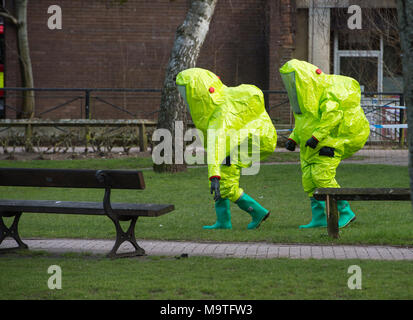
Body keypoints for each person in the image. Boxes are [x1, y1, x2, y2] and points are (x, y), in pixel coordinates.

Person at [176, 68, 277, 229]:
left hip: (241, 146)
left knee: (227, 186)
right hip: (243, 143)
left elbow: (218, 144)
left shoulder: (220, 113)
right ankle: (223, 221)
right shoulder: (220, 104)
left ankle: (257, 211)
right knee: (223, 182)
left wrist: (213, 175)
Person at [279, 59, 370, 229]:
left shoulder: (325, 96)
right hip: (309, 150)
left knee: (323, 178)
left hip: (326, 146)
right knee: (309, 181)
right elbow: (303, 124)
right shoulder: (305, 105)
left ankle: (345, 212)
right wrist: (293, 138)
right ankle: (319, 216)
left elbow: (333, 117)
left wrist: (316, 137)